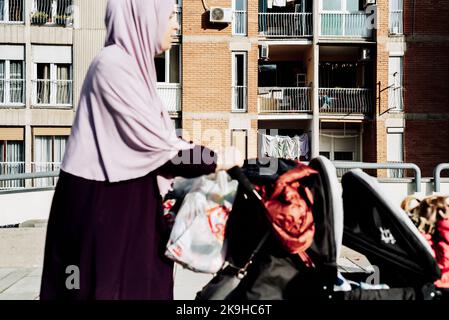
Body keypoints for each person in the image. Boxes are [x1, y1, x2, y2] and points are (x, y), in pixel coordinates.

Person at [39, 0, 243, 300]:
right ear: (145, 16)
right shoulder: (112, 65)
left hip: (127, 202)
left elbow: (158, 140)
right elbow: (159, 147)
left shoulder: (134, 68)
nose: (176, 24)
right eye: (171, 16)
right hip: (102, 206)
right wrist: (217, 159)